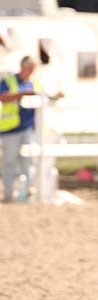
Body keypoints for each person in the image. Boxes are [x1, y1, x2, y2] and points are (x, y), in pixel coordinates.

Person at [1, 57, 45, 203]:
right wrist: (22, 94)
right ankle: (8, 195)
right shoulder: (9, 81)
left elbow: (43, 97)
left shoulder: (34, 83)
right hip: (11, 130)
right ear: (22, 66)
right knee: (9, 163)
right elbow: (3, 97)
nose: (31, 72)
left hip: (28, 128)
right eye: (30, 68)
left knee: (29, 162)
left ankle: (27, 194)